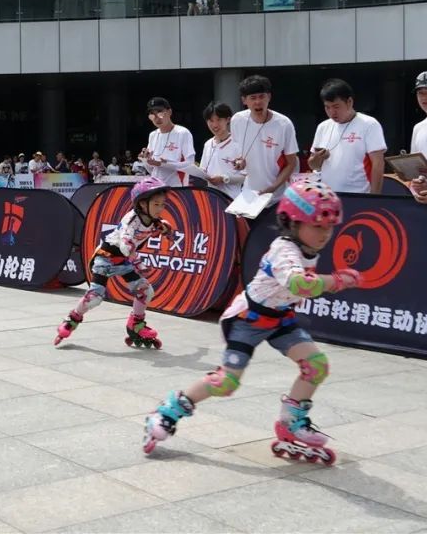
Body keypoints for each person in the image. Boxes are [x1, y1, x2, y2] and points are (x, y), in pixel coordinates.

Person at [143, 180, 363, 464]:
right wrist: (337, 281)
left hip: (279, 317)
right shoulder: (284, 250)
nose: (325, 234)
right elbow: (299, 283)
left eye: (329, 226)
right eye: (317, 225)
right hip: (247, 319)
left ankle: (291, 424)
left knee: (316, 365)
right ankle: (167, 411)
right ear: (291, 222)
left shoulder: (307, 247)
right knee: (226, 383)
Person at [55, 177, 171, 349]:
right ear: (141, 204)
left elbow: (159, 227)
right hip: (105, 258)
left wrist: (165, 228)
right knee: (95, 298)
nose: (160, 208)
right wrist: (138, 262)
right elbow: (126, 245)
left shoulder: (152, 219)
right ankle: (72, 319)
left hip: (123, 261)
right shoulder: (130, 220)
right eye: (156, 204)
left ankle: (136, 324)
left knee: (146, 291)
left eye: (163, 204)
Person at [308, 79, 386, 194]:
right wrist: (317, 158)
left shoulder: (369, 124)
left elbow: (378, 164)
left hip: (359, 196)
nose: (332, 112)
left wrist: (374, 198)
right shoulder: (323, 127)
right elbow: (313, 165)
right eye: (327, 107)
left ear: (349, 102)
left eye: (336, 106)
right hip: (328, 198)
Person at [231, 75, 299, 199]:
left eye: (262, 96)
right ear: (244, 100)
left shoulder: (284, 124)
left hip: (276, 196)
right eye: (253, 98)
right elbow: (237, 153)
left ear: (269, 97)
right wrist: (239, 162)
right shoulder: (237, 120)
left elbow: (291, 163)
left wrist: (274, 187)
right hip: (249, 195)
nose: (258, 102)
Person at [192, 102, 245, 200]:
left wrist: (224, 179)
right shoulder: (208, 144)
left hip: (231, 200)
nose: (215, 125)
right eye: (211, 121)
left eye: (219, 120)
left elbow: (245, 177)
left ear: (228, 120)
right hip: (210, 199)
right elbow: (203, 170)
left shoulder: (238, 144)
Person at [140, 97, 196, 187]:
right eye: (152, 115)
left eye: (160, 112)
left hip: (177, 188)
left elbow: (190, 164)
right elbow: (152, 170)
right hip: (156, 189)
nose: (157, 118)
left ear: (169, 112)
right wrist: (146, 161)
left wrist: (165, 164)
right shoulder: (153, 135)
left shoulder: (182, 133)